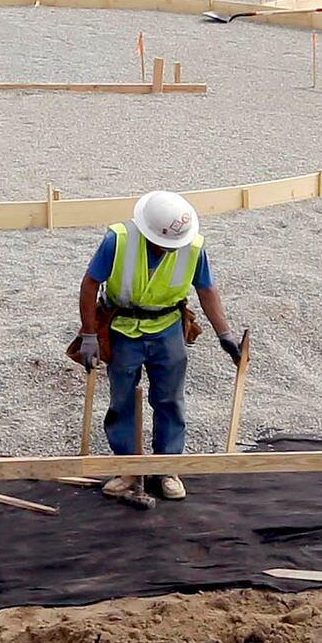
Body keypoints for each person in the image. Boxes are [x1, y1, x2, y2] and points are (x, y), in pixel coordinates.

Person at [67, 188, 244, 508]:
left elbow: (206, 289)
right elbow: (90, 283)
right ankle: (128, 468)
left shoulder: (192, 246)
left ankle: (167, 468)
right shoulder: (118, 241)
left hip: (166, 329)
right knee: (121, 399)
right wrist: (89, 334)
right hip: (123, 329)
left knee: (170, 399)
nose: (168, 249)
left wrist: (225, 334)